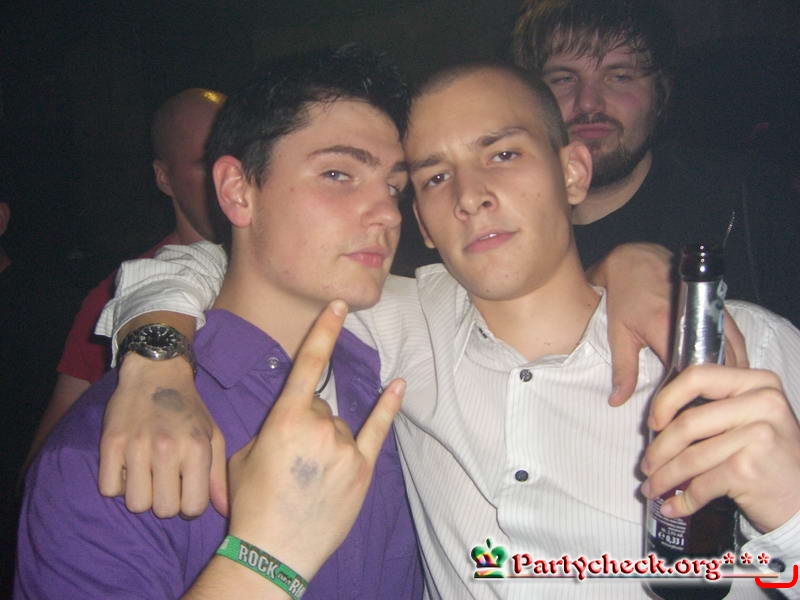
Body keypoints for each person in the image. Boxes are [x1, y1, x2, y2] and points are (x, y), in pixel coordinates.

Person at [84, 61, 799, 597]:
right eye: (432, 178)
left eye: (503, 153)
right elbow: (222, 261)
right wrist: (154, 361)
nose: (470, 196)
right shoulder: (397, 322)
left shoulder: (747, 352)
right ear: (420, 222)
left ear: (573, 172)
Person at [15, 45, 423, 599]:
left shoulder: (383, 372)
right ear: (237, 191)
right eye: (337, 173)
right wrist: (265, 559)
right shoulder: (111, 454)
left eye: (394, 186)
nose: (387, 213)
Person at [512, 0, 800, 327]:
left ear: (659, 94)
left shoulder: (744, 199)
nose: (589, 102)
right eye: (564, 79)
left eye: (619, 76)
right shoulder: (497, 220)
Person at [30, 87, 226, 456]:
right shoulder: (113, 295)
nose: (229, 178)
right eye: (206, 163)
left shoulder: (284, 275)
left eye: (242, 155)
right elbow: (49, 456)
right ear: (163, 177)